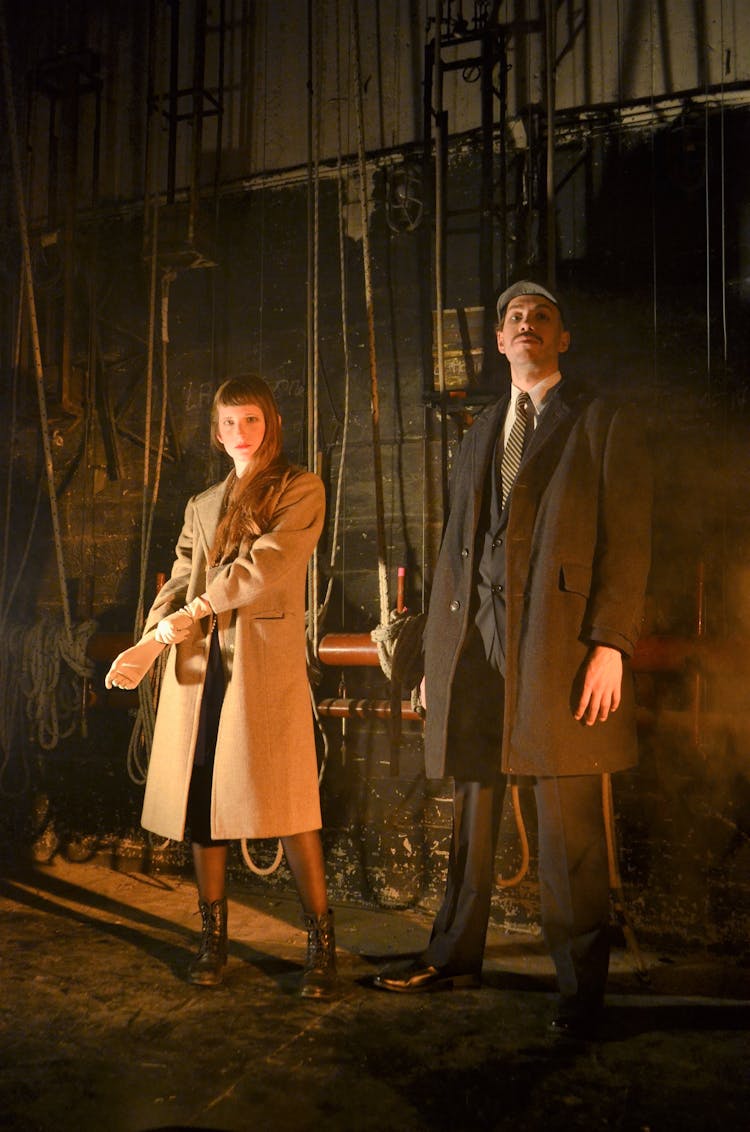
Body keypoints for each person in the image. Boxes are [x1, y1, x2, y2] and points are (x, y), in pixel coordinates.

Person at [374, 280, 652, 1037]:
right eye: (513, 319)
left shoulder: (600, 421)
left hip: (558, 651)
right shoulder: (477, 433)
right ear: (498, 343)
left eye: (542, 317)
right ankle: (454, 955)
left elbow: (629, 542)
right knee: (472, 813)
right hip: (477, 653)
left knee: (568, 833)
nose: (526, 325)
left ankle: (580, 994)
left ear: (563, 339)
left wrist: (612, 645)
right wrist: (435, 658)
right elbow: (453, 556)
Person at [105, 376, 338, 999]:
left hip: (262, 668)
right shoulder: (203, 504)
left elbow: (262, 569)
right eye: (229, 423)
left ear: (272, 424)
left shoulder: (300, 488)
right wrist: (155, 636)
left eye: (251, 421)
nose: (240, 433)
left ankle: (321, 947)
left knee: (290, 804)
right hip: (199, 672)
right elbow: (182, 575)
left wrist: (189, 614)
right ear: (216, 432)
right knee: (202, 799)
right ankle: (213, 941)